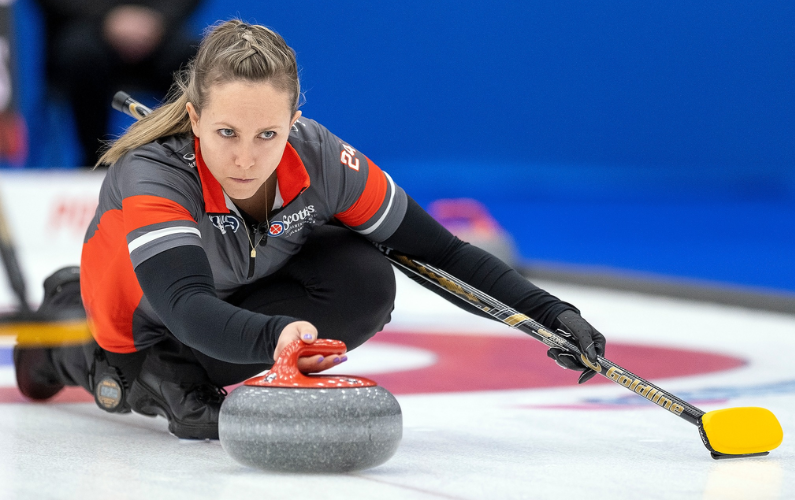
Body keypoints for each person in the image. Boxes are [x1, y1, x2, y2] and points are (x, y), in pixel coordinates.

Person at [13, 20, 606, 440]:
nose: (246, 159)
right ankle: (71, 337)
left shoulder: (321, 158)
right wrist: (276, 337)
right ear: (194, 117)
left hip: (233, 295)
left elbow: (442, 252)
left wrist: (551, 314)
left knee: (365, 275)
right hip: (148, 320)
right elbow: (187, 306)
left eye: (267, 134)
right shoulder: (152, 173)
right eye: (226, 134)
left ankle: (197, 363)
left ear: (294, 121)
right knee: (176, 393)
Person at [35, 0, 200, 166]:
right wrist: (108, 16)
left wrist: (156, 18)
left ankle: (181, 160)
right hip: (88, 25)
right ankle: (96, 161)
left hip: (157, 29)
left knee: (195, 59)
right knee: (81, 54)